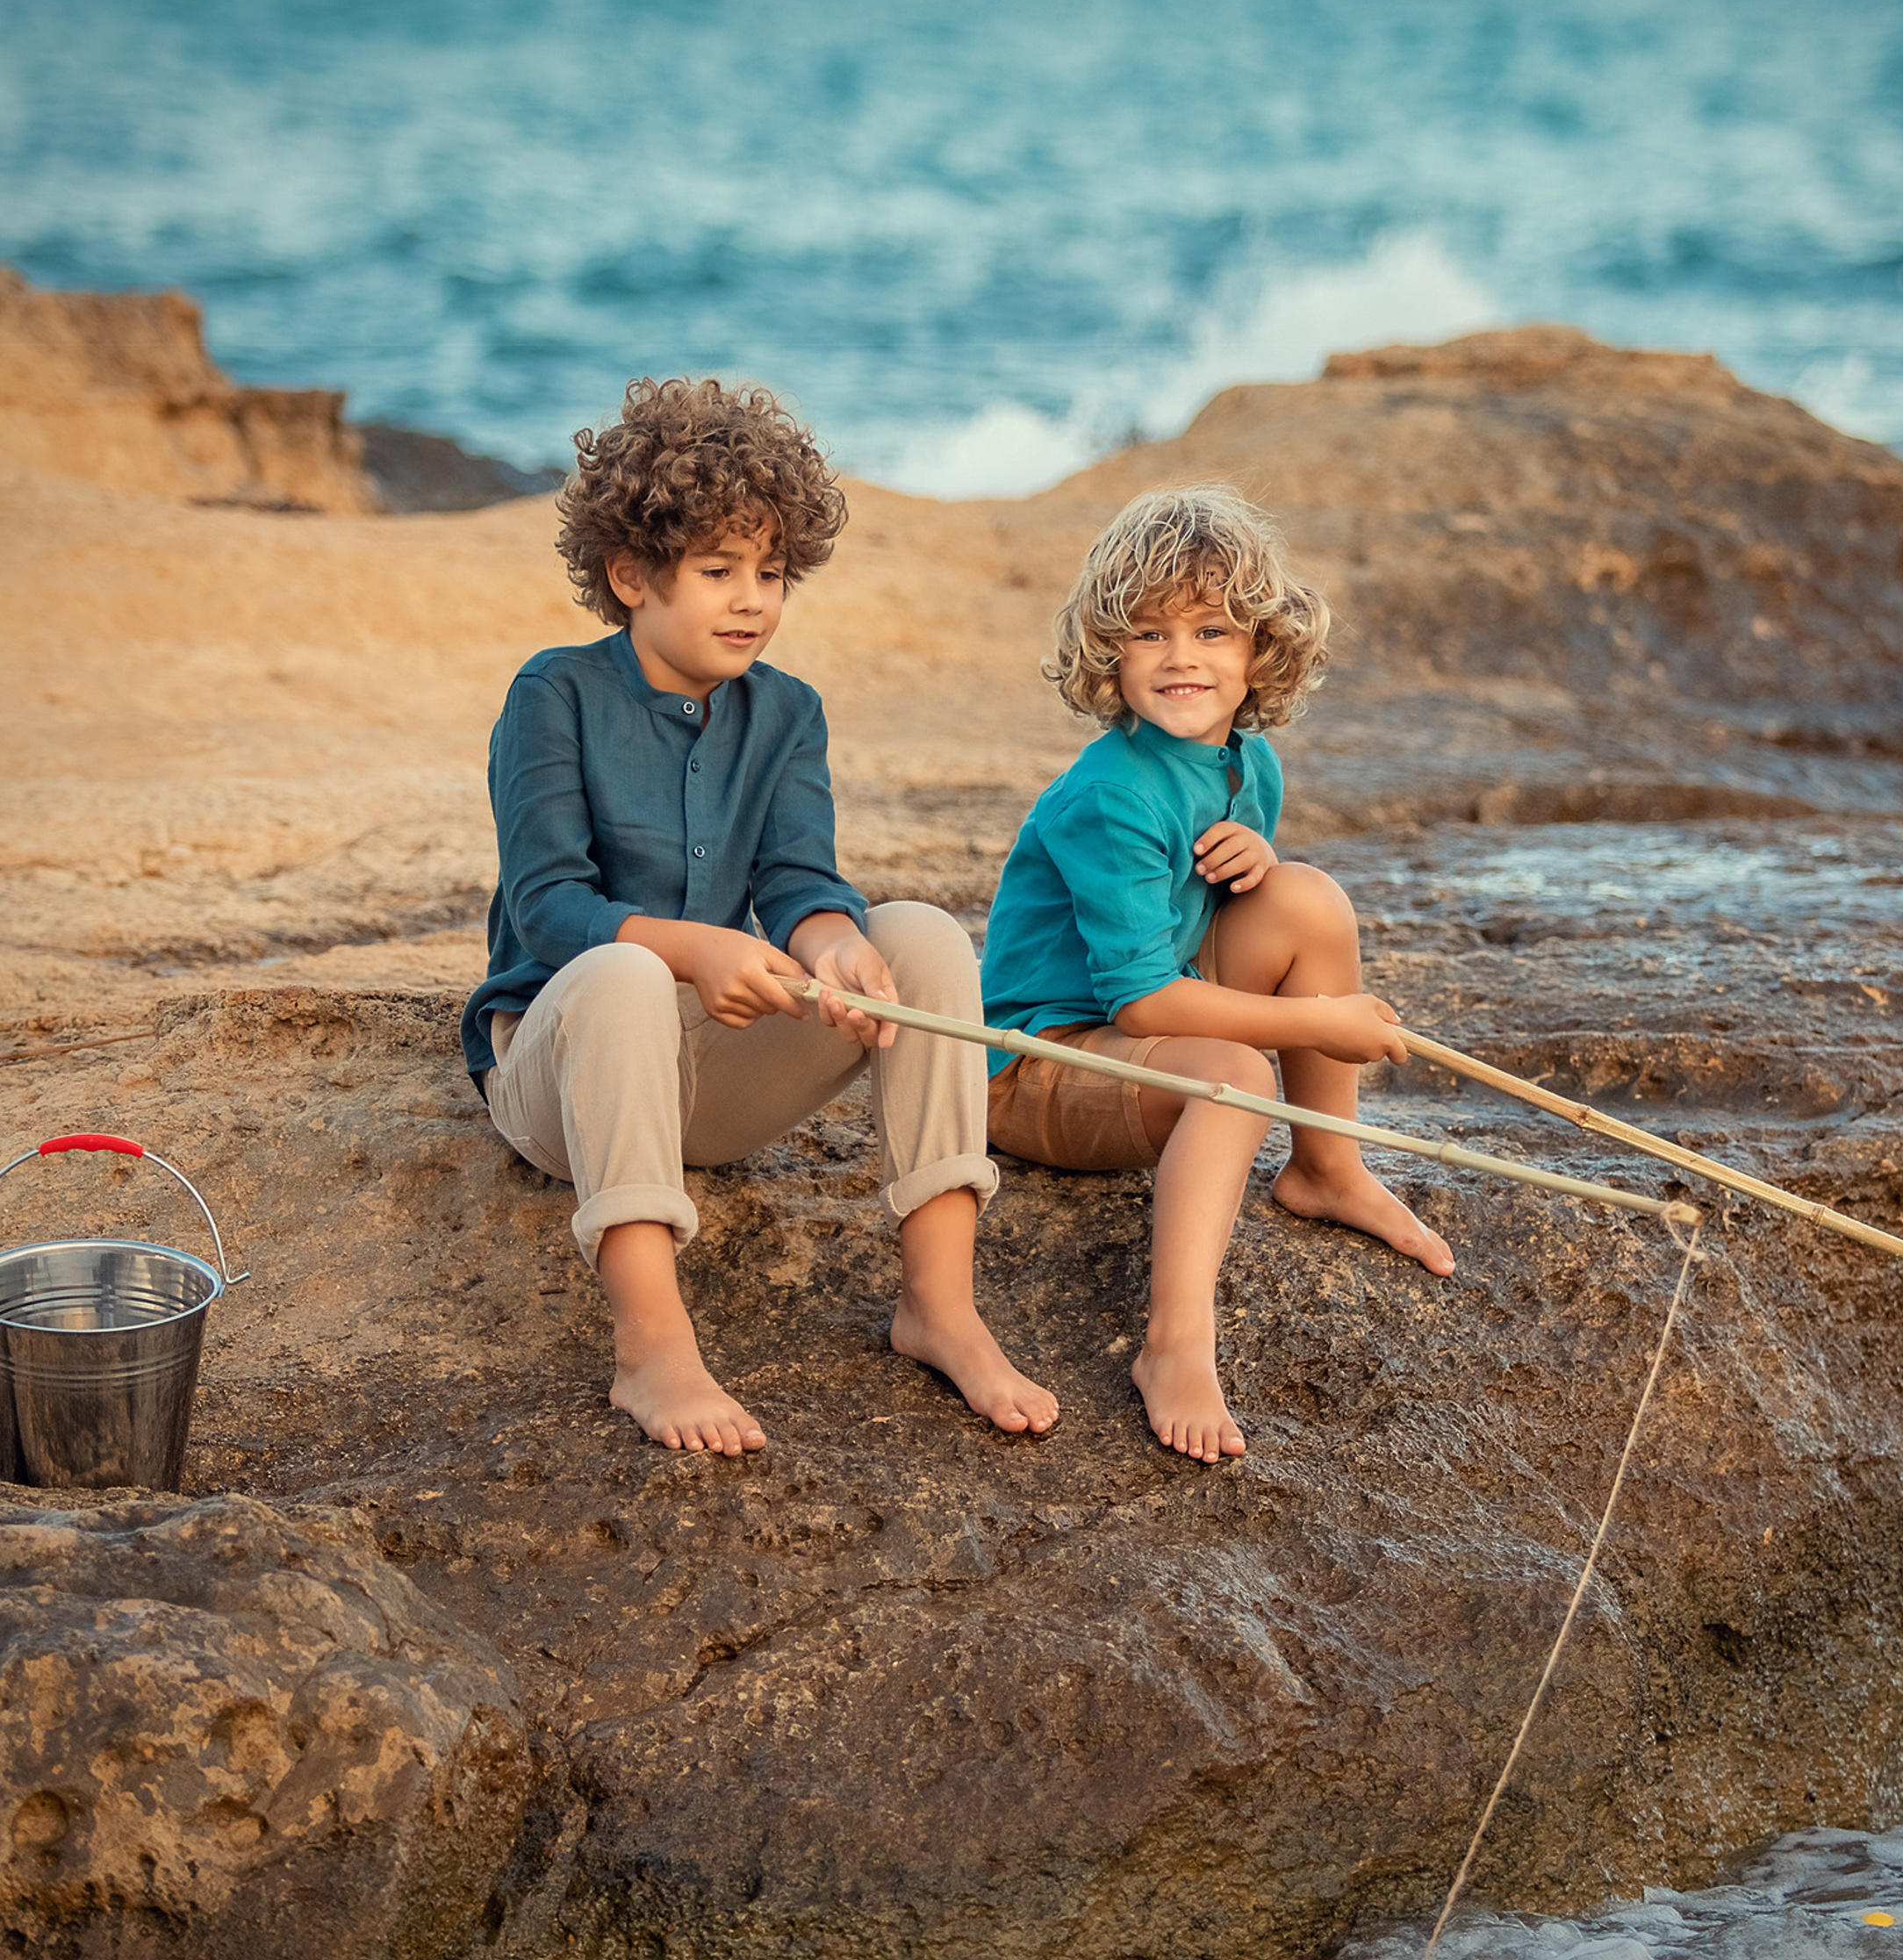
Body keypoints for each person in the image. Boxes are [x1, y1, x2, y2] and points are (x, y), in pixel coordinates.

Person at [463, 376, 1057, 1454]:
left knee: (916, 933)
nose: (752, 599)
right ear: (630, 573)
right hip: (564, 1083)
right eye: (718, 570)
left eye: (772, 572)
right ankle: (651, 1343)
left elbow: (797, 881)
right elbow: (549, 912)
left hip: (708, 1089)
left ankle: (940, 1304)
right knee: (626, 973)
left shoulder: (787, 712)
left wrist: (830, 943)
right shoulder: (551, 696)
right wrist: (698, 946)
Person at [980, 485, 1453, 1466]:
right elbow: (1143, 1000)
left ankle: (1327, 1168)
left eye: (1211, 630)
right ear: (1109, 653)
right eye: (1149, 633)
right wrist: (1320, 1023)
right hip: (1037, 1061)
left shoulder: (1249, 760)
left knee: (1309, 897)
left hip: (1136, 1024)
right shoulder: (1110, 793)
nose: (1181, 656)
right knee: (1235, 1073)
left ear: (1259, 654)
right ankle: (1175, 1347)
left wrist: (1256, 861)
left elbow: (1222, 921)